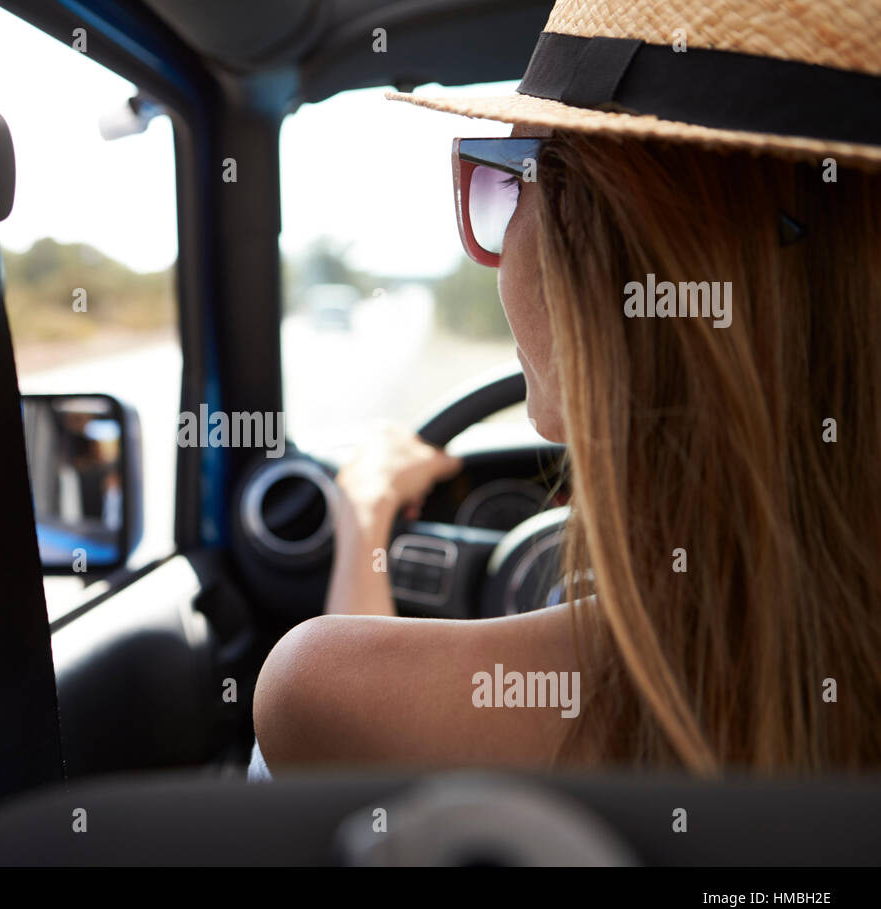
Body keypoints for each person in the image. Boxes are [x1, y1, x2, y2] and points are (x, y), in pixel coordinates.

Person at [252, 0, 881, 779]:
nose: (497, 254)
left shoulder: (323, 692)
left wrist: (364, 519)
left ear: (589, 246)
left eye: (510, 186)